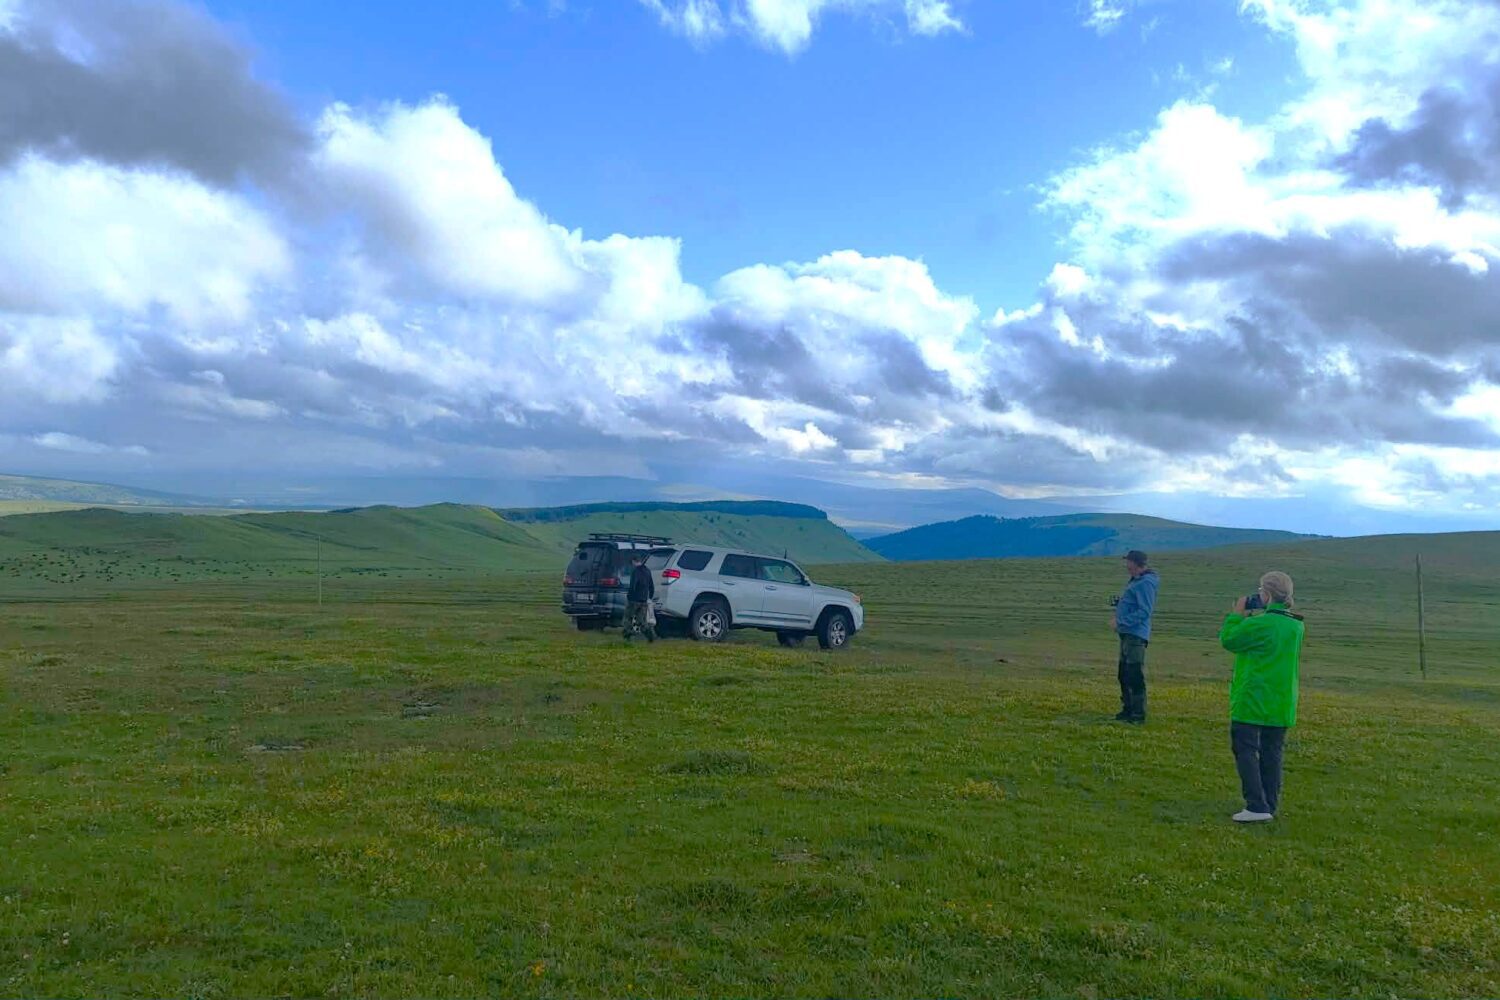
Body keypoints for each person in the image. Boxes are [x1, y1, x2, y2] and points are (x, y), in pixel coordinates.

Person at [1219, 571, 1304, 823]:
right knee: (1272, 752)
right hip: (1281, 699)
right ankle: (1270, 802)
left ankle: (1256, 804)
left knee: (1245, 749)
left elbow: (1229, 640)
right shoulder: (1296, 625)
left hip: (1253, 696)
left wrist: (1237, 614)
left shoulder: (1259, 624)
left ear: (1265, 594)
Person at [1111, 550, 1159, 724]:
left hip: (1135, 635)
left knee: (1134, 675)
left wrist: (1122, 620)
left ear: (1135, 563)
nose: (1127, 566)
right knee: (1124, 674)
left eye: (1129, 562)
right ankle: (1128, 710)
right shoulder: (1137, 581)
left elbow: (1145, 611)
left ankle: (1138, 715)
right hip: (1127, 634)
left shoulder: (1145, 583)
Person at [623, 553, 656, 643]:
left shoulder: (635, 571)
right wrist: (650, 597)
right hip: (643, 600)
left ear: (634, 561)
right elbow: (651, 586)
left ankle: (628, 635)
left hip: (634, 599)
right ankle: (650, 635)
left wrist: (629, 596)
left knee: (628, 618)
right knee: (641, 621)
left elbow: (633, 585)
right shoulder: (648, 571)